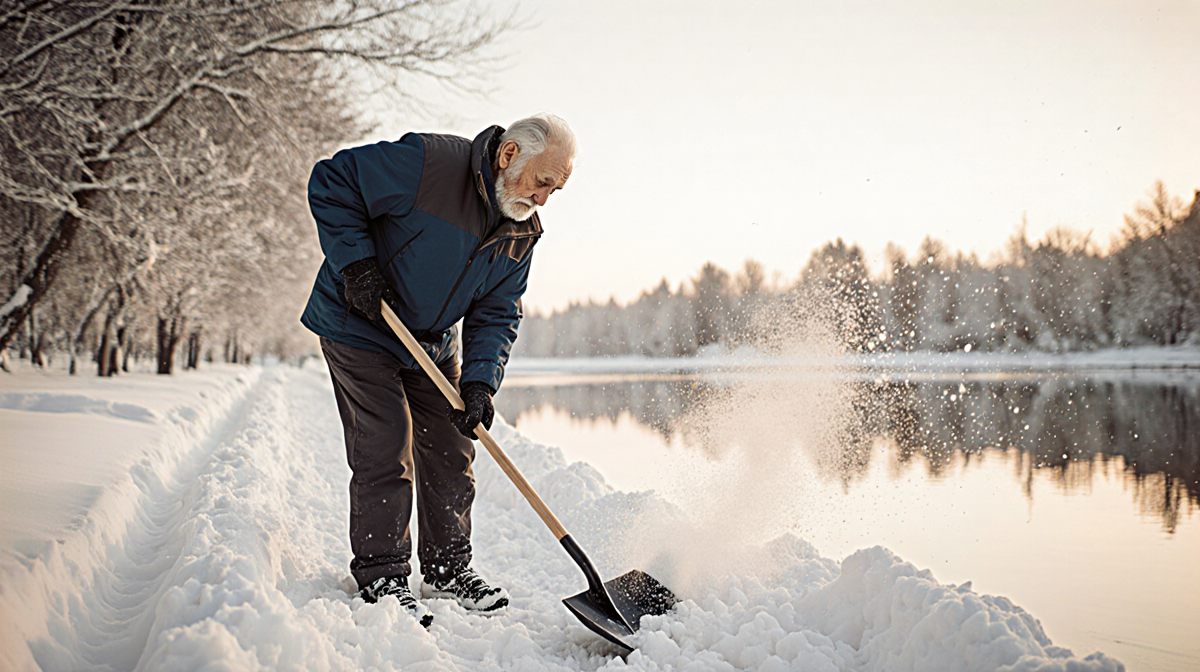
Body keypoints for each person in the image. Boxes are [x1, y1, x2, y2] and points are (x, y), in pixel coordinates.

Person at [301, 114, 575, 627]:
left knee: (451, 445)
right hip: (359, 321)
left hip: (429, 342)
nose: (542, 200)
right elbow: (332, 180)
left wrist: (478, 382)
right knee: (386, 440)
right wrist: (356, 264)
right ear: (509, 154)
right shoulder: (429, 164)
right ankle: (383, 576)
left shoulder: (521, 233)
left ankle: (448, 570)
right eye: (542, 183)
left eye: (554, 191)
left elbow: (497, 311)